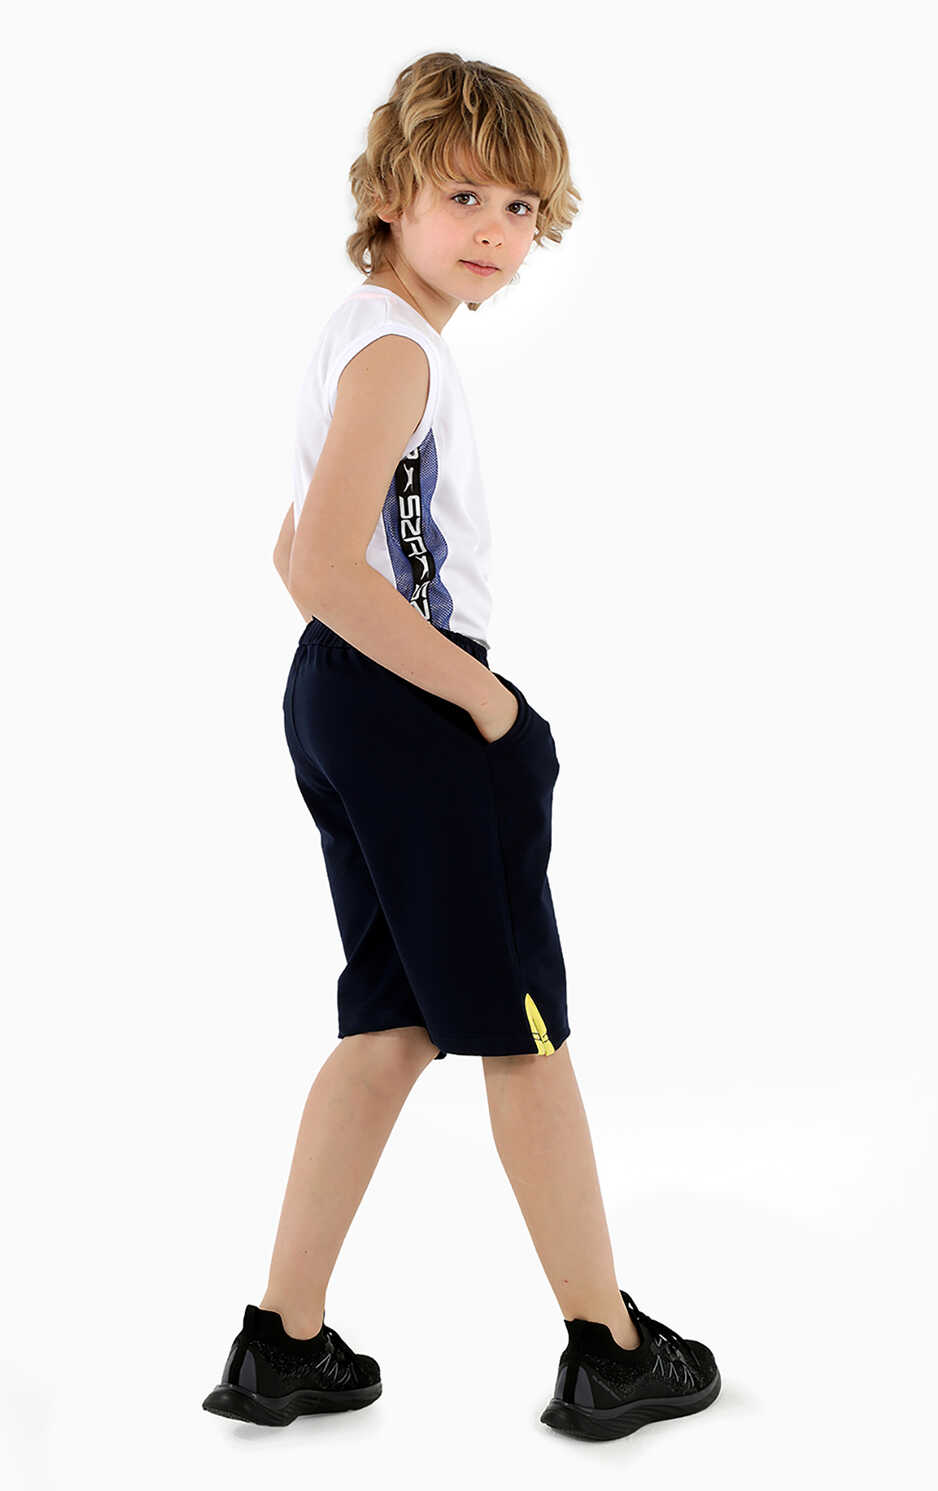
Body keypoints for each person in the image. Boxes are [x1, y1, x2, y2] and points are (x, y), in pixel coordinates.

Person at [202, 51, 720, 1442]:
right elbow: (322, 564)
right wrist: (485, 707)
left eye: (522, 207)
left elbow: (295, 555)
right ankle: (609, 1348)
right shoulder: (395, 351)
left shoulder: (360, 334)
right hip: (414, 704)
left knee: (392, 1021)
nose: (496, 229)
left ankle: (279, 1342)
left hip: (346, 695)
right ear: (391, 195)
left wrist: (385, 691)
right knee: (523, 1027)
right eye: (465, 195)